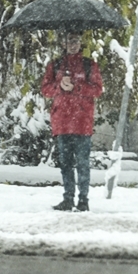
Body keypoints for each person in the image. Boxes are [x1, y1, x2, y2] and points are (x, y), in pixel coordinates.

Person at [41, 31, 104, 212]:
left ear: (81, 43)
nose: (73, 44)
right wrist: (59, 86)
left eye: (76, 40)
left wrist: (76, 87)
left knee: (83, 163)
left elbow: (97, 90)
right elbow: (45, 89)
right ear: (63, 43)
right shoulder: (56, 65)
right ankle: (68, 198)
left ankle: (83, 200)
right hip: (62, 121)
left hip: (82, 121)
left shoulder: (89, 65)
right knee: (66, 164)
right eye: (69, 40)